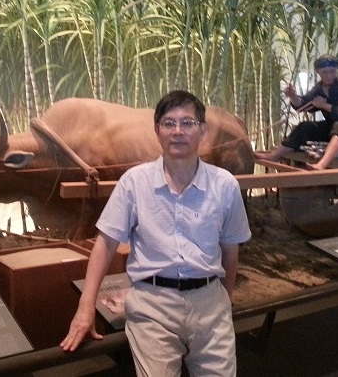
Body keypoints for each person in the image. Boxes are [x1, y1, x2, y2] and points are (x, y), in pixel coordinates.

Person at [60, 90, 251, 377]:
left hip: (210, 303)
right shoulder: (133, 182)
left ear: (203, 130)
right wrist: (85, 307)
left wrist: (223, 299)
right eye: (169, 123)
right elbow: (105, 244)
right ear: (157, 131)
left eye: (187, 123)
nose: (178, 131)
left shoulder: (225, 185)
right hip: (152, 306)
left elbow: (230, 250)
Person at [254, 54, 338, 170]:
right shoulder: (319, 88)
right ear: (318, 72)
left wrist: (323, 105)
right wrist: (293, 96)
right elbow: (304, 105)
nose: (329, 75)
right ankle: (275, 156)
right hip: (333, 129)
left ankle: (322, 165)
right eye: (325, 72)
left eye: (332, 71)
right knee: (305, 126)